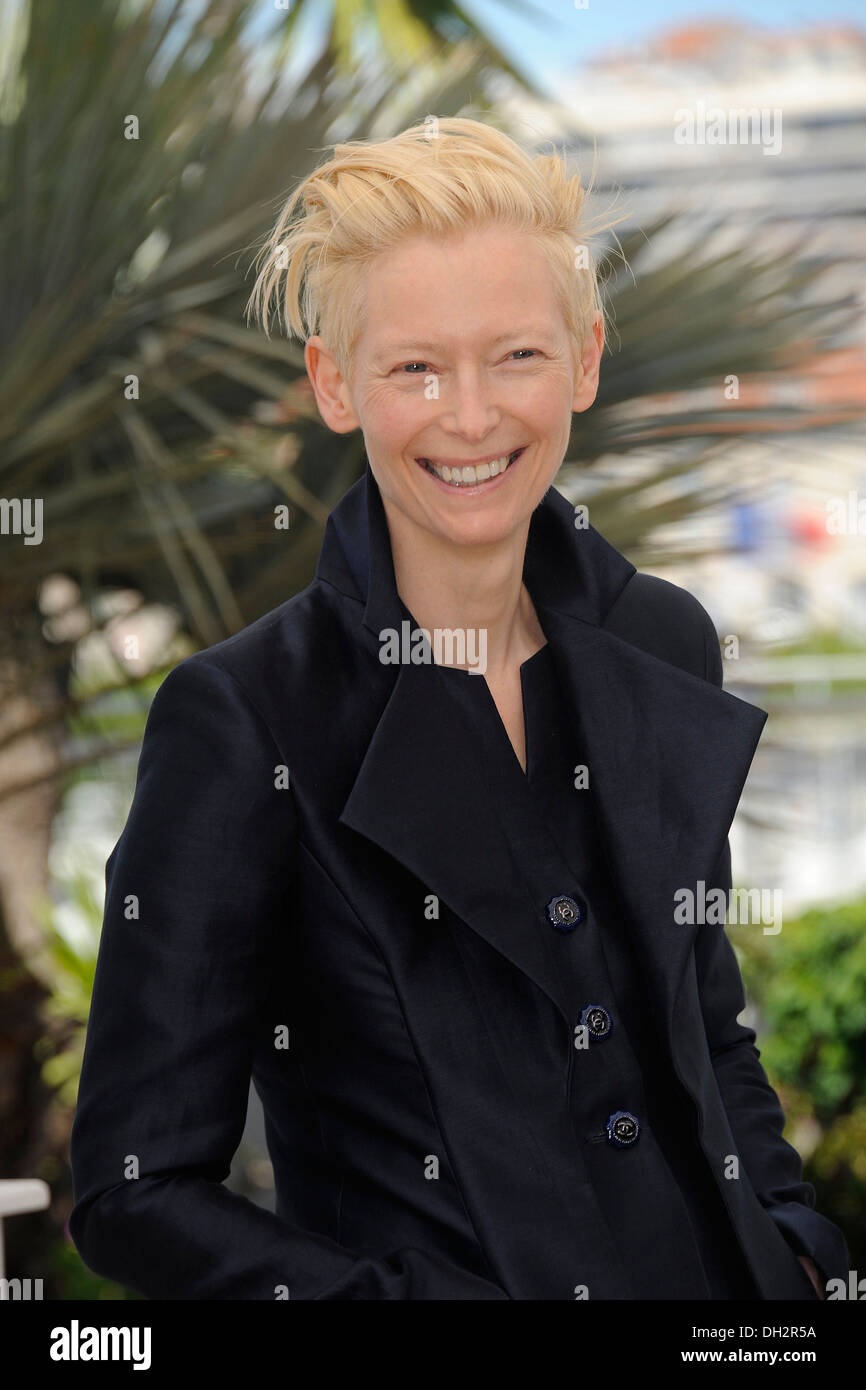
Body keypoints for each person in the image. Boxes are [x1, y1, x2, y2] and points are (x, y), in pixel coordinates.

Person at [69, 117, 849, 1300]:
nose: (472, 415)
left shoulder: (665, 641)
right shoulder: (243, 719)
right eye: (414, 368)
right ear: (336, 386)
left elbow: (704, 1025)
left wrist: (791, 1241)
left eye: (516, 357)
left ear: (584, 358)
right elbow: (134, 1194)